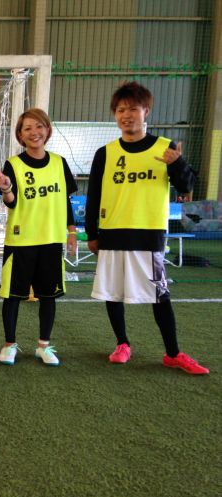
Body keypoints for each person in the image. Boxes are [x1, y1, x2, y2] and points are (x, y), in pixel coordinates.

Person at [86, 81, 208, 375]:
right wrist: (92, 233)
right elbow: (94, 196)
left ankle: (173, 353)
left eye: (133, 109)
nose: (126, 115)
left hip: (149, 234)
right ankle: (122, 344)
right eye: (120, 110)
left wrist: (177, 164)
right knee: (113, 293)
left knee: (160, 295)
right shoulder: (105, 153)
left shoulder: (166, 148)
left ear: (146, 111)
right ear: (115, 115)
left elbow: (187, 186)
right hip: (112, 233)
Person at [0, 108, 78, 366]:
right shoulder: (13, 164)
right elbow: (11, 202)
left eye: (39, 126)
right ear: (20, 135)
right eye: (27, 128)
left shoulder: (60, 163)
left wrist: (72, 232)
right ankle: (9, 345)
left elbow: (65, 201)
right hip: (21, 241)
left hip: (51, 239)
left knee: (48, 297)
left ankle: (44, 346)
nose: (34, 132)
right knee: (13, 296)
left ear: (47, 130)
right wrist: (6, 187)